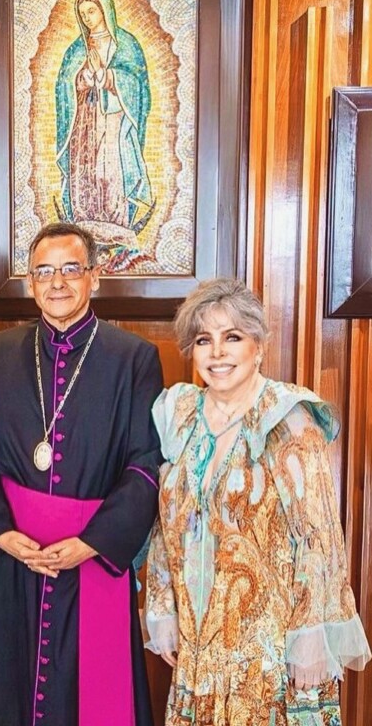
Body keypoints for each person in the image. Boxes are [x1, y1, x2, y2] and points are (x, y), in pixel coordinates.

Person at [0, 222, 163, 726]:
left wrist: (93, 542)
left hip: (91, 559)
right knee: (4, 694)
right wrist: (0, 533)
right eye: (44, 272)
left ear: (95, 276)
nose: (57, 282)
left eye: (71, 269)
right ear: (30, 283)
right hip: (11, 560)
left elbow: (146, 464)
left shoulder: (133, 358)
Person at [145, 278, 371, 724]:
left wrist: (310, 635)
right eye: (204, 340)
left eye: (232, 337)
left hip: (271, 647)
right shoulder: (181, 414)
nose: (217, 352)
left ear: (259, 346)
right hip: (199, 644)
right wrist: (161, 605)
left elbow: (319, 535)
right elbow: (166, 520)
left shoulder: (288, 417)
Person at [55, 0, 154, 258]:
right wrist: (80, 80)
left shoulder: (126, 44)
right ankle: (85, 218)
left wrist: (108, 76)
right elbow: (63, 86)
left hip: (113, 118)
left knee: (109, 168)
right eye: (83, 13)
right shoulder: (77, 49)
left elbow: (137, 85)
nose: (87, 18)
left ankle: (115, 221)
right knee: (85, 167)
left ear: (105, 10)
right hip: (84, 119)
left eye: (92, 11)